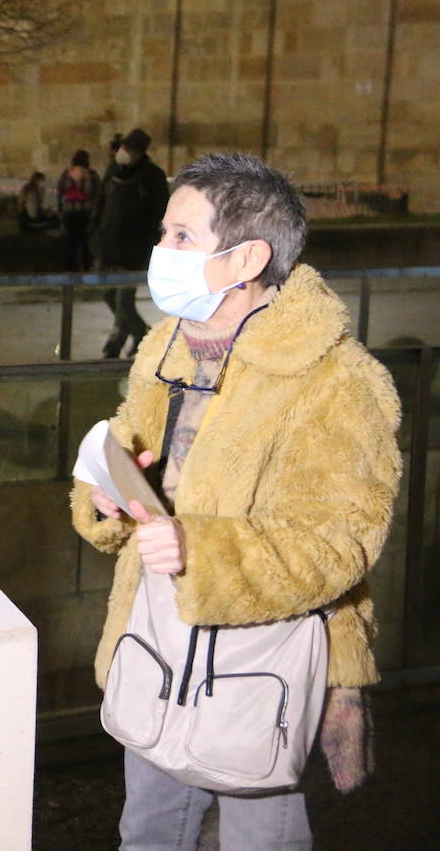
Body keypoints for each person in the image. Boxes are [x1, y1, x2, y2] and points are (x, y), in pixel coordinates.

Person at [71, 152, 401, 848]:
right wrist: (106, 496)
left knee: (260, 837)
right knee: (149, 833)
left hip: (262, 663)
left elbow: (339, 540)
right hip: (155, 640)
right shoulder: (167, 347)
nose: (160, 251)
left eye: (182, 237)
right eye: (164, 233)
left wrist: (202, 551)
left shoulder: (338, 379)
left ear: (248, 256)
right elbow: (126, 451)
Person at [90, 127, 168, 358]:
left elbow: (159, 214)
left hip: (133, 250)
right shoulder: (113, 170)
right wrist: (93, 235)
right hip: (106, 245)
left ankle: (114, 342)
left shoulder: (153, 176)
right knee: (107, 294)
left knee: (124, 301)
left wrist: (151, 247)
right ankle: (142, 333)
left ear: (138, 153)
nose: (123, 152)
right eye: (123, 147)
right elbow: (100, 203)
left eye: (128, 149)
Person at [56, 149, 99, 270]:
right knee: (86, 242)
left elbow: (60, 193)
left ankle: (70, 269)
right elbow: (98, 195)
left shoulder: (66, 174)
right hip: (87, 213)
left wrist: (60, 211)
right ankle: (86, 267)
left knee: (71, 242)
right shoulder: (92, 175)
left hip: (69, 213)